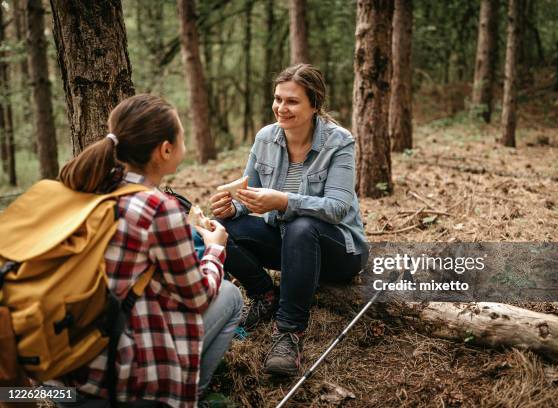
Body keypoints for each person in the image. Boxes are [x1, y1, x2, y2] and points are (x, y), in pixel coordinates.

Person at [56, 94, 242, 407]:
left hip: (63, 377)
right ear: (165, 150)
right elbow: (198, 296)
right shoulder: (158, 208)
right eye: (182, 135)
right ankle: (184, 397)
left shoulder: (86, 187)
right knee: (230, 296)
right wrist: (214, 250)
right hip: (121, 380)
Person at [209, 64, 369, 376]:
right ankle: (264, 295)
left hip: (340, 252)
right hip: (289, 244)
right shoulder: (266, 138)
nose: (281, 108)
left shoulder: (339, 141)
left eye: (292, 101)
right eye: (278, 99)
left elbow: (337, 208)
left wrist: (284, 201)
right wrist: (231, 209)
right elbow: (249, 191)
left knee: (302, 225)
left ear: (314, 104)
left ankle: (288, 332)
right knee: (222, 229)